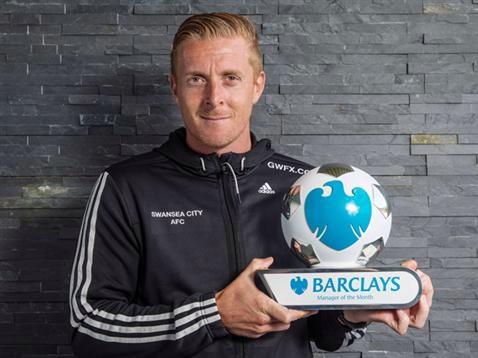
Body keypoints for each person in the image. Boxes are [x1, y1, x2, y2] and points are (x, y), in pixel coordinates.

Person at [68, 12, 433, 358]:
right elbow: (88, 327)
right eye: (197, 79)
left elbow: (322, 331)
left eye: (230, 77)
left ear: (257, 84)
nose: (214, 98)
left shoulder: (304, 187)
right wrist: (213, 315)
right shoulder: (125, 186)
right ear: (175, 87)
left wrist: (351, 313)